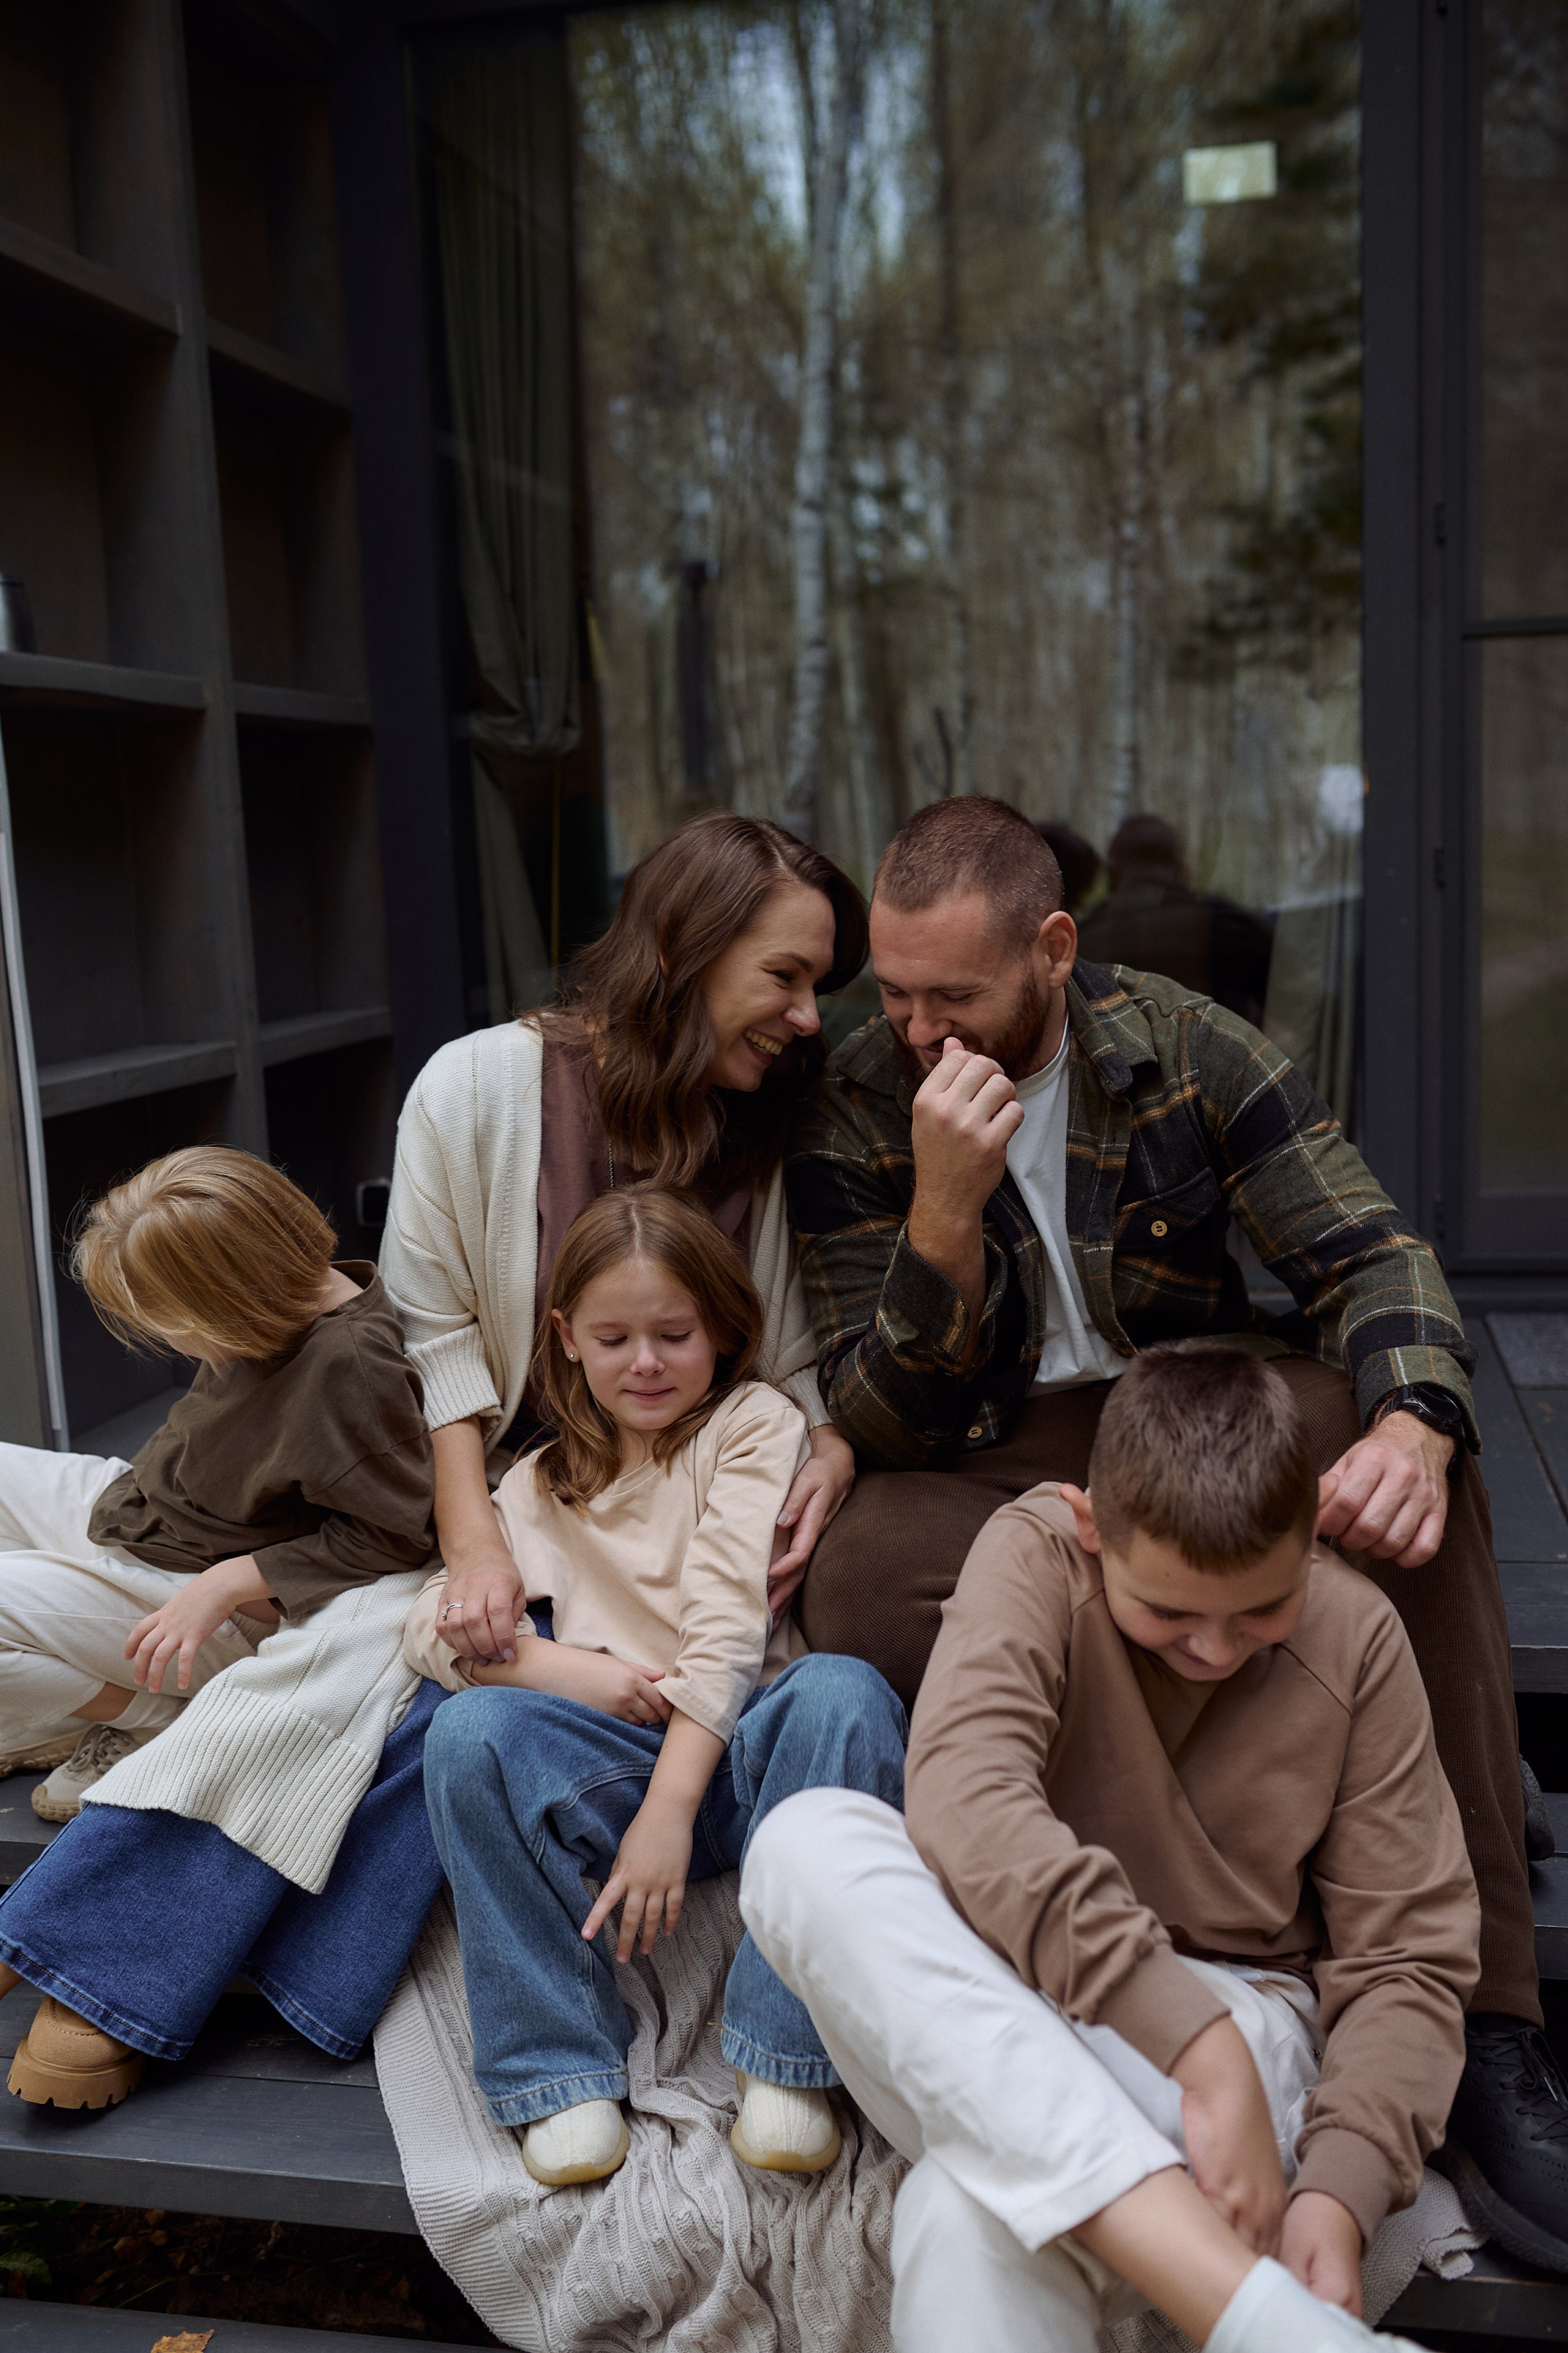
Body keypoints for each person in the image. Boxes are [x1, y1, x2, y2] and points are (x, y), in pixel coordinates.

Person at [785, 792, 1567, 2265]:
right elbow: (873, 1411)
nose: (914, 1026)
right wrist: (940, 1220)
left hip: (1198, 1413)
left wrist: (1405, 1413)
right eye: (889, 992)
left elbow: (1369, 1251)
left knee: (1418, 1463)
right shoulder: (848, 1091)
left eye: (952, 992)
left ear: (1052, 949)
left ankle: (1486, 2016)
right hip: (983, 1440)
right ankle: (1142, 1873)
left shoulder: (1183, 1042)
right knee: (861, 1569)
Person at [740, 1346, 1479, 2353]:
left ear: (1309, 1535)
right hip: (1015, 2008)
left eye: (1261, 1609)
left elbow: (1406, 1959)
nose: (1216, 1650)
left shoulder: (1359, 1632)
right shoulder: (1038, 1550)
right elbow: (966, 1801)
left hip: (1246, 2038)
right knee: (803, 1842)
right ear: (1092, 1526)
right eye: (1170, 1613)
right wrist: (1191, 2044)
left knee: (966, 2212)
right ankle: (1261, 2320)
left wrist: (1336, 2198)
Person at [405, 1186, 906, 2187]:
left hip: (751, 1750)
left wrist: (671, 1811)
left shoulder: (753, 1425)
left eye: (674, 1334)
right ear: (566, 1341)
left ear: (722, 1330)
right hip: (621, 1758)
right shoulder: (539, 1482)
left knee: (845, 1693)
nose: (645, 1362)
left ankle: (784, 2062)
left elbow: (727, 1625)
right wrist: (570, 1671)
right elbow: (430, 1625)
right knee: (468, 1735)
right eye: (615, 1336)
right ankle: (558, 2074)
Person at [0, 1146, 443, 2109]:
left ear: (233, 1288)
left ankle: (139, 1707)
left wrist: (238, 1579)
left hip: (194, 1591)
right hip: (139, 1514)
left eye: (175, 1319)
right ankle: (91, 1708)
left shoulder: (349, 1363)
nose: (174, 1344)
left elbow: (402, 1533)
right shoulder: (282, 1311)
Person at [378, 812, 868, 1681]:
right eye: (784, 976)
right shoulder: (474, 1089)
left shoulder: (777, 1123)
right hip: (516, 1493)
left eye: (817, 987)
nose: (806, 1018)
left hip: (694, 1495)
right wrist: (476, 1547)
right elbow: (435, 1345)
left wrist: (831, 1443)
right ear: (686, 952)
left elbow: (787, 1354)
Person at [1076, 811, 1275, 1028]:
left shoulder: (1079, 943)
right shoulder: (1224, 925)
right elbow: (1299, 997)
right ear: (1181, 869)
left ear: (1112, 871)